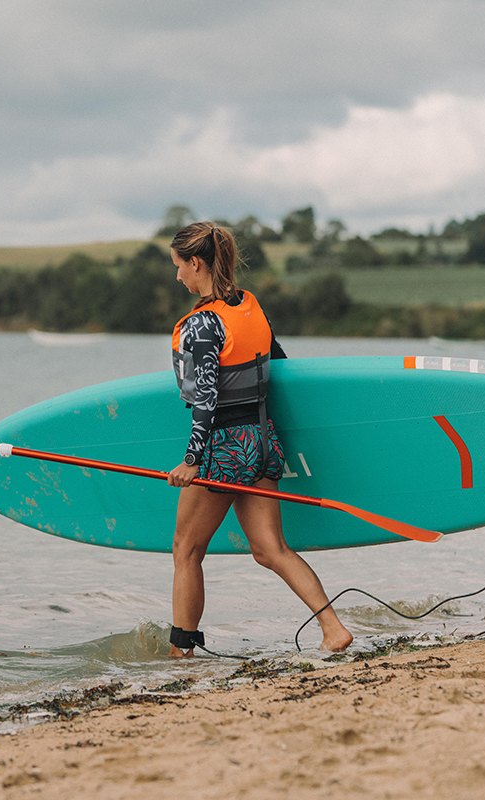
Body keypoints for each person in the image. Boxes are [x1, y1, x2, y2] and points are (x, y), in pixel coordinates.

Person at [166, 221, 353, 657]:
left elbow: (206, 398)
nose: (178, 277)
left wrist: (194, 459)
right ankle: (333, 628)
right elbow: (279, 365)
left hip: (223, 448)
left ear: (197, 263)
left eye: (179, 267)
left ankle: (181, 653)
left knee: (186, 550)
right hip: (261, 439)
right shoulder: (250, 307)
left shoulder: (202, 325)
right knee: (271, 550)